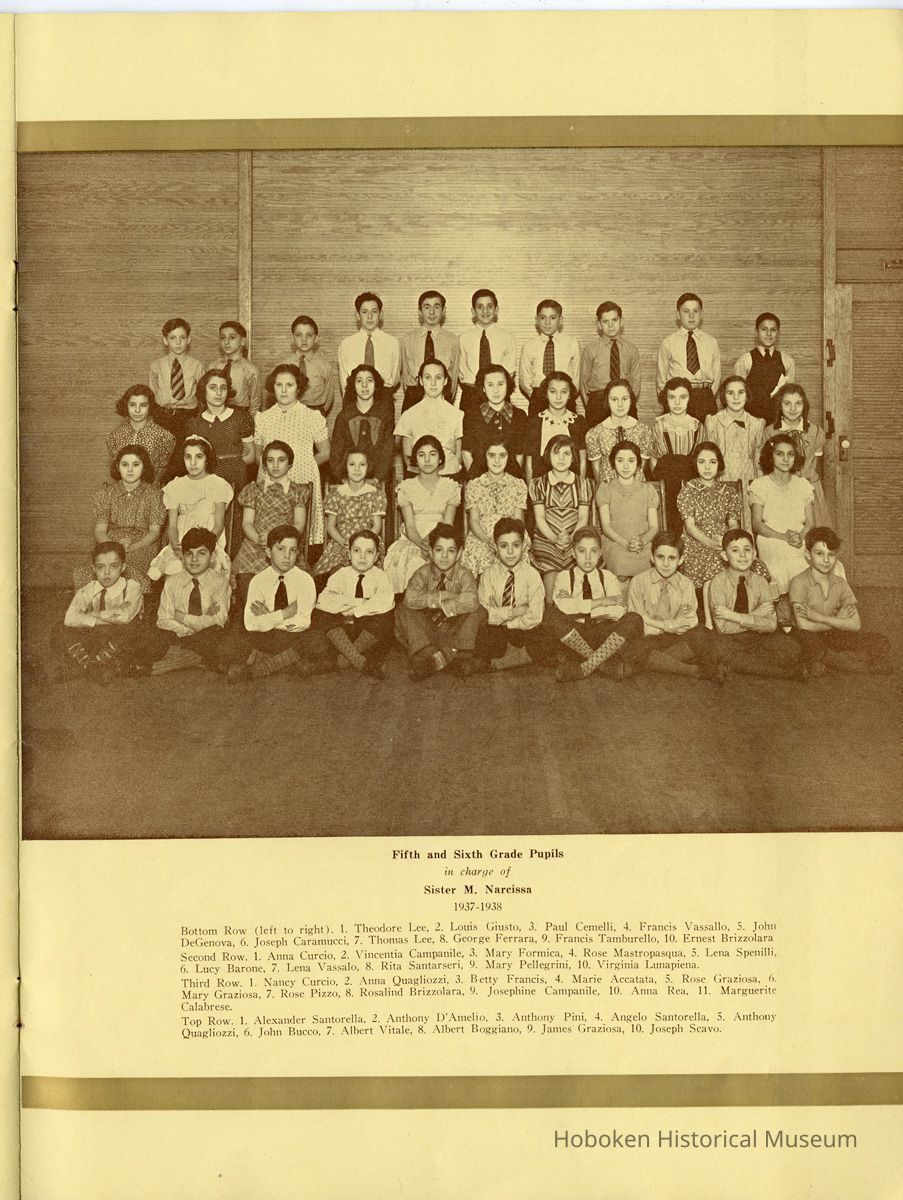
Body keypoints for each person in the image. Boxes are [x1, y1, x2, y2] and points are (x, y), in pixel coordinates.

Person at [228, 525, 328, 682]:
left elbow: (304, 621)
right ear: (268, 552)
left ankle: (259, 668)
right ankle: (290, 662)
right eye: (281, 549)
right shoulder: (258, 581)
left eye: (292, 550)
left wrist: (269, 618)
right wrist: (284, 614)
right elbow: (251, 623)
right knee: (232, 642)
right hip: (268, 637)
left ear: (298, 553)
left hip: (294, 636)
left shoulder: (305, 580)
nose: (287, 556)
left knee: (317, 639)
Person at [546, 525, 644, 682]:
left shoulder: (608, 577)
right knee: (550, 614)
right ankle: (604, 664)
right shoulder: (564, 577)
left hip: (603, 634)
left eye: (593, 551)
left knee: (634, 618)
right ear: (573, 553)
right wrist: (602, 602)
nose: (588, 557)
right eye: (582, 551)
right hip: (575, 636)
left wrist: (581, 608)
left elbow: (618, 610)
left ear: (600, 554)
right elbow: (565, 607)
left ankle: (586, 666)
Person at [789, 526, 891, 676]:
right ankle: (858, 666)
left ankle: (830, 661)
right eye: (819, 553)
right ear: (808, 555)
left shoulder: (840, 583)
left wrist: (821, 618)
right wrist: (838, 620)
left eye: (831, 554)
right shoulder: (798, 582)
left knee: (879, 641)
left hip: (832, 634)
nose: (826, 560)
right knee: (808, 644)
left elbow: (855, 624)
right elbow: (803, 626)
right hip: (807, 635)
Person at [625, 531, 723, 681]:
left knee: (702, 634)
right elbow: (636, 621)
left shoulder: (686, 584)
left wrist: (661, 625)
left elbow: (690, 621)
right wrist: (668, 626)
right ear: (652, 558)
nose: (666, 564)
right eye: (660, 557)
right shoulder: (638, 582)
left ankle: (657, 664)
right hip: (648, 638)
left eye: (672, 558)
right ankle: (692, 671)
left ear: (681, 560)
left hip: (674, 639)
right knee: (633, 645)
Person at [707, 528, 801, 678]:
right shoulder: (717, 583)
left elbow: (771, 625)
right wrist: (757, 614)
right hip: (732, 640)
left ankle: (744, 666)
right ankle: (783, 673)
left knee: (792, 648)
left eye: (747, 549)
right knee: (718, 651)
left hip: (758, 637)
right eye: (735, 550)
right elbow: (724, 627)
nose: (742, 555)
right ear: (724, 555)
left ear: (754, 553)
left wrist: (733, 616)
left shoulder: (761, 582)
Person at [253, 363, 330, 546]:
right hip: (270, 480)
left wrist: (304, 465)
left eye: (289, 385)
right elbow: (258, 455)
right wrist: (274, 471)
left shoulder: (312, 417)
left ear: (299, 388)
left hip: (302, 478)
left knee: (298, 532)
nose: (284, 390)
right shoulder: (263, 418)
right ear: (272, 387)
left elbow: (325, 452)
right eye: (279, 385)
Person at [73, 444, 165, 594]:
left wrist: (133, 546)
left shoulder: (153, 494)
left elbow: (154, 532)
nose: (130, 469)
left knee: (128, 570)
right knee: (99, 568)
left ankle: (128, 603)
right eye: (125, 464)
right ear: (117, 467)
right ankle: (100, 602)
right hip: (111, 542)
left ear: (144, 467)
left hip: (142, 543)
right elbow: (100, 531)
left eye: (136, 464)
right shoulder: (107, 493)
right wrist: (115, 546)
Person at [396, 523, 483, 680]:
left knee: (478, 609)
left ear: (459, 554)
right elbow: (411, 597)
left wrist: (450, 605)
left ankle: (435, 660)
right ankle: (443, 656)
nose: (444, 556)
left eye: (451, 551)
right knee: (403, 607)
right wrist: (442, 596)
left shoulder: (464, 574)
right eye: (439, 550)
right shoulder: (422, 573)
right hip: (427, 632)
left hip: (452, 631)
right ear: (430, 552)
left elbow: (471, 599)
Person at [185, 367, 255, 555]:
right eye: (212, 387)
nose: (218, 393)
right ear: (203, 391)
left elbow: (251, 456)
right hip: (207, 478)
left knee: (234, 523)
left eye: (223, 388)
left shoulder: (241, 419)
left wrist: (231, 462)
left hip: (235, 476)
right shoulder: (195, 423)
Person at [231, 440, 310, 606]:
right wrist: (260, 539)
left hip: (285, 543)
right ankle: (254, 613)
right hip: (256, 542)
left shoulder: (297, 491)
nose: (275, 465)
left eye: (281, 460)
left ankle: (279, 612)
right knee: (246, 576)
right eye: (270, 460)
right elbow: (247, 523)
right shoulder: (254, 489)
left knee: (290, 582)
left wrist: (279, 541)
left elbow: (298, 525)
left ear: (290, 464)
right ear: (264, 464)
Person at [59, 541, 149, 683]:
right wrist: (100, 621)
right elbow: (69, 618)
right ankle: (93, 665)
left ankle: (88, 664)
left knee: (132, 629)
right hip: (99, 635)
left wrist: (93, 614)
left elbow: (124, 616)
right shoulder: (89, 588)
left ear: (123, 567)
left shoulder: (132, 586)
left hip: (121, 636)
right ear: (93, 568)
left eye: (114, 566)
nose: (107, 573)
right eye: (101, 567)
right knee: (59, 629)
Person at [147, 436, 233, 579]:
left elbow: (218, 525)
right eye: (188, 457)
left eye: (199, 457)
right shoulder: (176, 485)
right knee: (174, 571)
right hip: (181, 541)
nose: (193, 463)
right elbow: (172, 526)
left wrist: (204, 545)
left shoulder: (217, 484)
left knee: (208, 571)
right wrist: (176, 546)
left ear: (207, 459)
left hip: (209, 541)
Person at [150, 527, 233, 675]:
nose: (194, 559)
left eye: (201, 553)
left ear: (212, 556)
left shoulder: (220, 583)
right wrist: (189, 630)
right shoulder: (172, 582)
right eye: (189, 554)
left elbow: (218, 620)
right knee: (157, 635)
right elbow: (163, 620)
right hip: (179, 635)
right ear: (182, 557)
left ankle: (171, 661)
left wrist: (181, 616)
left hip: (206, 635)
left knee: (216, 633)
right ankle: (199, 658)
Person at [384, 435, 461, 593]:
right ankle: (413, 603)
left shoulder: (450, 487)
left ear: (440, 459)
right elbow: (410, 527)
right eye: (421, 455)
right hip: (413, 539)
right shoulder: (407, 488)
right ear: (415, 459)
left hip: (442, 537)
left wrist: (435, 544)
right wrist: (422, 545)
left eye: (432, 454)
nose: (427, 460)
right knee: (414, 562)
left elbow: (447, 524)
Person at [472, 517, 549, 671]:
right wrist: (515, 611)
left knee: (542, 636)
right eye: (503, 546)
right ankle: (520, 657)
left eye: (515, 545)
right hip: (498, 632)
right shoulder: (488, 575)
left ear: (523, 546)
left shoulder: (532, 575)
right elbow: (486, 613)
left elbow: (535, 615)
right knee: (484, 633)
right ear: (495, 547)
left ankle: (500, 662)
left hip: (523, 630)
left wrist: (506, 622)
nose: (510, 552)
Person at [315, 528, 395, 676]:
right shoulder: (340, 575)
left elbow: (386, 601)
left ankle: (344, 659)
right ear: (349, 554)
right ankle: (359, 661)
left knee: (386, 619)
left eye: (369, 552)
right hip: (343, 630)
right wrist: (361, 602)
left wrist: (355, 609)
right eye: (357, 551)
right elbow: (323, 600)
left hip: (366, 632)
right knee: (320, 615)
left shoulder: (381, 577)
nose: (362, 557)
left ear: (377, 556)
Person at [749, 432, 815, 598]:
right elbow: (757, 524)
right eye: (780, 454)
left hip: (800, 536)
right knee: (788, 560)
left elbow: (810, 523)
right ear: (771, 457)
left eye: (790, 454)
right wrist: (783, 537)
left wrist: (800, 537)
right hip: (771, 537)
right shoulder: (760, 485)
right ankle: (786, 603)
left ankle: (806, 603)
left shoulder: (803, 485)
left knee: (818, 559)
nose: (786, 459)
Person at [529, 434, 592, 598]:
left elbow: (583, 518)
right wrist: (555, 538)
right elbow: (540, 518)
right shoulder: (538, 483)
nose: (561, 458)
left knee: (578, 571)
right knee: (551, 573)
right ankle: (550, 607)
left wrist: (571, 538)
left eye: (566, 453)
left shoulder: (583, 484)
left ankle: (577, 608)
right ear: (548, 455)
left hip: (575, 537)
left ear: (573, 457)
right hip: (546, 538)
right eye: (556, 453)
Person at [676, 441, 741, 599]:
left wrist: (726, 540)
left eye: (712, 462)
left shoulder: (728, 492)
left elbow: (733, 523)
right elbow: (690, 527)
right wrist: (711, 543)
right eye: (701, 462)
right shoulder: (688, 490)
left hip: (723, 537)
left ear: (719, 464)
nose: (707, 467)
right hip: (697, 540)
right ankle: (711, 609)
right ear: (695, 463)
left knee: (748, 561)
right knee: (714, 560)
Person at [703, 374, 766, 531]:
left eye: (741, 392)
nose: (736, 398)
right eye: (730, 393)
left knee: (747, 525)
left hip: (748, 481)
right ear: (723, 396)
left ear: (747, 395)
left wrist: (759, 489)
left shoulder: (757, 423)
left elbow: (758, 461)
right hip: (722, 480)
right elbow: (708, 458)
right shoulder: (713, 421)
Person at [313, 449, 386, 577]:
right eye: (352, 464)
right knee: (338, 571)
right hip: (342, 542)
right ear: (345, 467)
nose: (357, 469)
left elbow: (376, 526)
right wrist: (344, 542)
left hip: (367, 541)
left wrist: (362, 542)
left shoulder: (376, 494)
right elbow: (330, 526)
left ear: (368, 467)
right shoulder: (336, 494)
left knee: (370, 572)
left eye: (362, 464)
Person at [764, 382, 830, 525]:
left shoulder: (816, 432)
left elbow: (816, 465)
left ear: (804, 405)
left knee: (813, 530)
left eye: (798, 403)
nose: (793, 409)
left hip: (809, 488)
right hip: (782, 489)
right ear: (779, 405)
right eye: (787, 403)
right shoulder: (770, 432)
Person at [596, 440, 660, 587]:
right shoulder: (605, 489)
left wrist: (642, 542)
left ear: (638, 464)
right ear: (613, 463)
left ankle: (642, 600)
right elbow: (606, 527)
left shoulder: (648, 490)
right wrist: (626, 543)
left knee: (650, 565)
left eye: (631, 461)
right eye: (620, 460)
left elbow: (654, 527)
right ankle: (622, 599)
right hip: (616, 542)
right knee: (620, 562)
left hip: (642, 543)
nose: (625, 466)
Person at [461, 441, 529, 579]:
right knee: (481, 556)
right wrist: (488, 540)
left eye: (502, 455)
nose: (497, 461)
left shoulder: (518, 485)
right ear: (484, 456)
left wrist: (506, 540)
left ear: (508, 457)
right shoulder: (474, 485)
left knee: (513, 554)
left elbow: (518, 520)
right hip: (481, 535)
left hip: (511, 533)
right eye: (492, 455)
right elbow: (474, 521)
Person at [394, 358, 464, 479]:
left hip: (449, 476)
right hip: (418, 478)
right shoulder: (409, 415)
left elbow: (459, 454)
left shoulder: (457, 415)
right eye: (427, 377)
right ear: (421, 381)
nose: (433, 383)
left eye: (438, 378)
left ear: (446, 381)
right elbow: (407, 456)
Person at [655, 293, 720, 421]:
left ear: (701, 314)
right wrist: (670, 400)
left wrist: (707, 396)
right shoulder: (668, 343)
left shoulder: (711, 342)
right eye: (686, 311)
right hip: (678, 398)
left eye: (696, 311)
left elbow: (717, 376)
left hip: (704, 398)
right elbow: (661, 379)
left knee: (706, 433)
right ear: (678, 314)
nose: (691, 316)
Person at [650, 376, 702, 535]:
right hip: (666, 478)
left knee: (690, 521)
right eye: (672, 397)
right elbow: (653, 457)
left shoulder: (697, 425)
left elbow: (700, 457)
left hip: (689, 478)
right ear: (665, 399)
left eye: (682, 397)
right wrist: (659, 481)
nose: (677, 402)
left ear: (690, 398)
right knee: (669, 521)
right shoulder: (659, 425)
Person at [461, 363, 527, 479]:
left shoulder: (519, 416)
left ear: (508, 386)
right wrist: (477, 480)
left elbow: (520, 454)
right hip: (480, 481)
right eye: (490, 385)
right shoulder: (472, 416)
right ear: (483, 388)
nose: (496, 390)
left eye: (500, 384)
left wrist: (511, 480)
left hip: (510, 481)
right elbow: (466, 453)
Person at [457, 289, 518, 414]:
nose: (485, 311)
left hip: (498, 394)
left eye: (489, 306)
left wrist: (493, 386)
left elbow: (509, 372)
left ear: (496, 310)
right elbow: (461, 372)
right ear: (473, 311)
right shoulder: (463, 338)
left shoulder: (507, 338)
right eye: (480, 307)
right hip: (471, 395)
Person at [585, 378, 655, 484]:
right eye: (614, 399)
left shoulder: (644, 431)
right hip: (608, 489)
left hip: (635, 488)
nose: (620, 404)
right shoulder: (594, 433)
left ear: (631, 400)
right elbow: (596, 470)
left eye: (625, 399)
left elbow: (640, 468)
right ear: (607, 402)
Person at [581, 301, 642, 424]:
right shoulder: (591, 349)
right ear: (599, 324)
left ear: (621, 322)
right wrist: (592, 405)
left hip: (624, 402)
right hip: (598, 403)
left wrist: (627, 401)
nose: (610, 325)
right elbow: (583, 382)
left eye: (614, 320)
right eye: (605, 321)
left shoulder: (631, 349)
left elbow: (636, 381)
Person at [400, 290, 460, 412]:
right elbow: (405, 376)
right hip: (414, 397)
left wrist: (447, 396)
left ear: (443, 310)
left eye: (436, 307)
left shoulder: (453, 340)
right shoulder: (407, 339)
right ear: (419, 311)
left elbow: (453, 377)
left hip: (442, 397)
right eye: (427, 307)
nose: (432, 312)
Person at [523, 372, 586, 483]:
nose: (558, 397)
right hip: (542, 485)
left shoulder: (578, 422)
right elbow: (529, 464)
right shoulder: (534, 422)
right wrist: (531, 490)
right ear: (546, 393)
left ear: (570, 394)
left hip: (571, 484)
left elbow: (583, 462)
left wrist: (580, 487)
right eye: (553, 392)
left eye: (564, 392)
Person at [733, 312, 795, 422]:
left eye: (773, 330)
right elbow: (737, 394)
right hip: (751, 421)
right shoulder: (745, 360)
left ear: (778, 333)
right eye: (764, 329)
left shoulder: (787, 361)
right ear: (756, 331)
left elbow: (790, 396)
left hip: (778, 421)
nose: (768, 334)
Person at [519, 299, 581, 409]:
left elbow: (577, 376)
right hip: (538, 399)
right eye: (543, 318)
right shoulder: (529, 346)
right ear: (536, 320)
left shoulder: (572, 343)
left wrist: (567, 395)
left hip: (565, 398)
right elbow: (524, 381)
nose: (547, 323)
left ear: (560, 320)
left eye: (552, 318)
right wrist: (537, 395)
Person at [336, 292, 400, 398]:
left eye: (374, 312)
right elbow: (343, 381)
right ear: (358, 315)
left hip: (384, 397)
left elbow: (395, 378)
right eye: (364, 312)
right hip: (354, 398)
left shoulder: (392, 343)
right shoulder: (346, 344)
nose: (370, 317)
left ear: (381, 314)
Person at [105, 383, 175, 480]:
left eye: (143, 405)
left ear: (150, 407)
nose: (137, 410)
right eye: (132, 405)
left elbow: (163, 469)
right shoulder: (115, 436)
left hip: (151, 487)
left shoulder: (164, 436)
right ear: (126, 406)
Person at [148, 316, 204, 436]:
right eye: (172, 338)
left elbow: (202, 396)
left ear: (188, 339)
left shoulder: (197, 365)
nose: (178, 342)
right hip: (163, 416)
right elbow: (153, 393)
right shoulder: (156, 365)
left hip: (189, 416)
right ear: (165, 340)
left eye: (182, 337)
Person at [209, 320, 261, 416]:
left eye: (232, 337)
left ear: (242, 341)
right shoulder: (213, 366)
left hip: (240, 415)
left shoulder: (250, 369)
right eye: (223, 338)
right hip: (215, 413)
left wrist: (250, 421)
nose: (226, 342)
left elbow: (255, 403)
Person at [289, 315, 336, 418]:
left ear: (316, 338)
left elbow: (329, 396)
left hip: (316, 413)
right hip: (289, 413)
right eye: (299, 335)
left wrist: (320, 413)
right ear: (292, 338)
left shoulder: (324, 366)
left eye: (309, 335)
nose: (304, 339)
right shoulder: (285, 365)